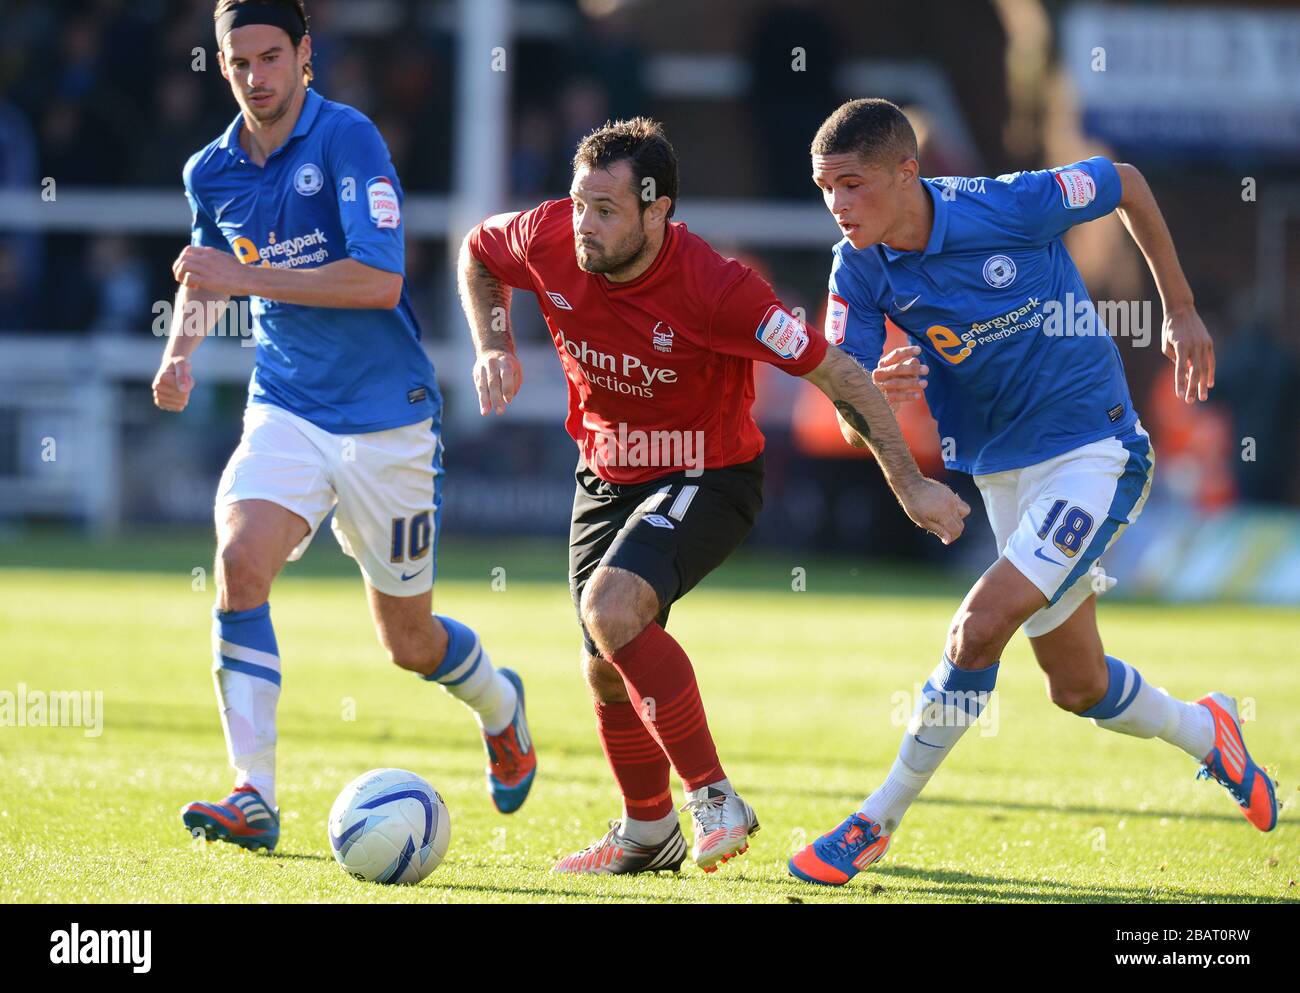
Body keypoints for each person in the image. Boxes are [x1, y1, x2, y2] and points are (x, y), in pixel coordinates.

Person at [458, 117, 969, 875]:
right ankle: (646, 831)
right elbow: (477, 252)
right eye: (577, 204)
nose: (584, 226)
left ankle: (713, 795)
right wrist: (493, 341)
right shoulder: (549, 238)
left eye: (605, 210)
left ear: (657, 210)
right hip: (606, 471)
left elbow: (840, 374)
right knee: (604, 657)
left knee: (610, 611)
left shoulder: (719, 288)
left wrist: (910, 481)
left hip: (709, 474)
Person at [790, 98, 1276, 887]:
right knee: (1077, 685)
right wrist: (878, 397)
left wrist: (1181, 312)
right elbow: (847, 410)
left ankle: (874, 819)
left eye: (852, 184)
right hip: (999, 471)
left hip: (1095, 450)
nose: (838, 205)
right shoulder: (859, 269)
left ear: (907, 173)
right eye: (824, 188)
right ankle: (1207, 728)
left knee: (975, 630)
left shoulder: (1006, 203)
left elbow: (1125, 182)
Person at [152, 0, 535, 857]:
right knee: (239, 560)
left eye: (272, 56)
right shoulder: (208, 170)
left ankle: (500, 706)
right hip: (286, 404)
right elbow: (206, 272)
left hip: (385, 423)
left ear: (304, 55)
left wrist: (243, 280)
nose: (258, 76)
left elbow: (376, 281)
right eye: (240, 61)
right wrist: (180, 351)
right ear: (222, 66)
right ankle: (253, 792)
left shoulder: (348, 138)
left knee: (409, 641)